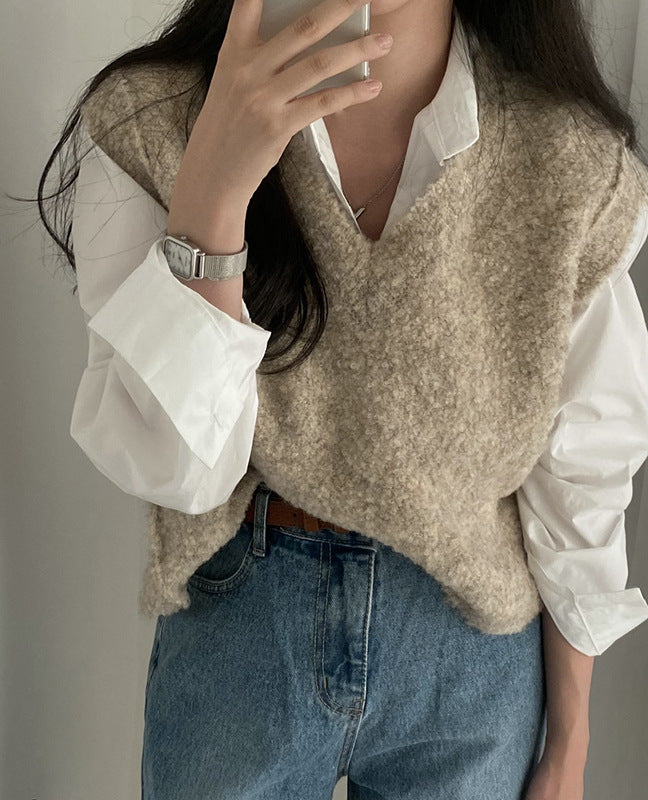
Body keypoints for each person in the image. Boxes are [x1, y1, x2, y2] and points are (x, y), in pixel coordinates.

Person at [36, 0, 648, 797]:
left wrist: (568, 742)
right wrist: (213, 197)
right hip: (244, 631)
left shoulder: (569, 163)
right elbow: (177, 473)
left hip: (469, 658)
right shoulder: (153, 120)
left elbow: (584, 470)